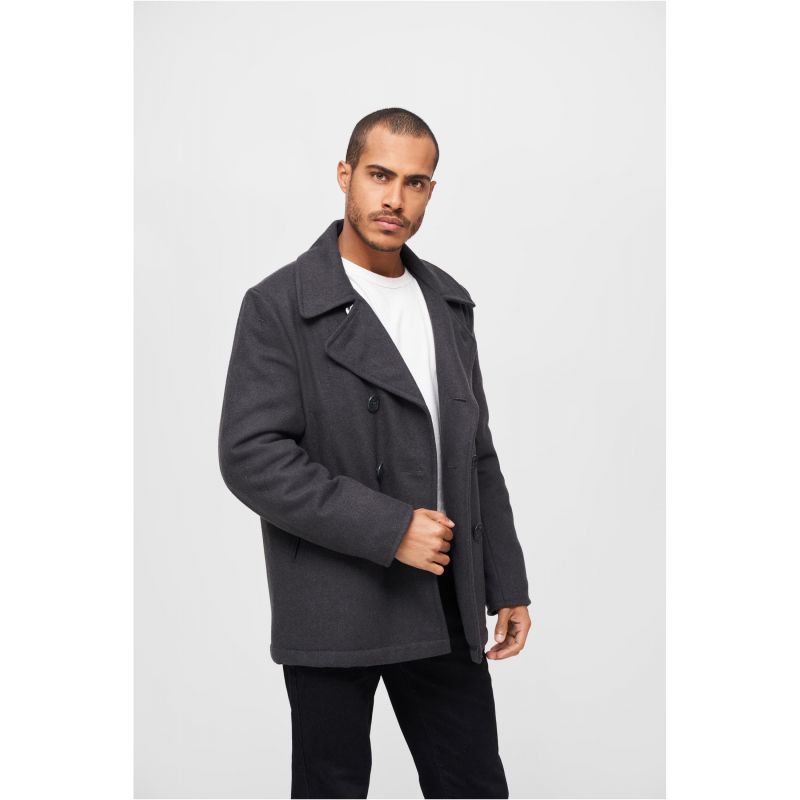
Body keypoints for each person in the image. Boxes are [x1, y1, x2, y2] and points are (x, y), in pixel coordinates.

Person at [219, 107, 532, 799]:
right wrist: (391, 529)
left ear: (430, 191)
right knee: (331, 789)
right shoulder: (280, 304)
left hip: (443, 591)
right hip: (332, 596)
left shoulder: (447, 303)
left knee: (474, 785)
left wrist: (505, 580)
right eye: (380, 175)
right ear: (346, 175)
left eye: (415, 183)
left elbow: (476, 453)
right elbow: (251, 455)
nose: (395, 199)